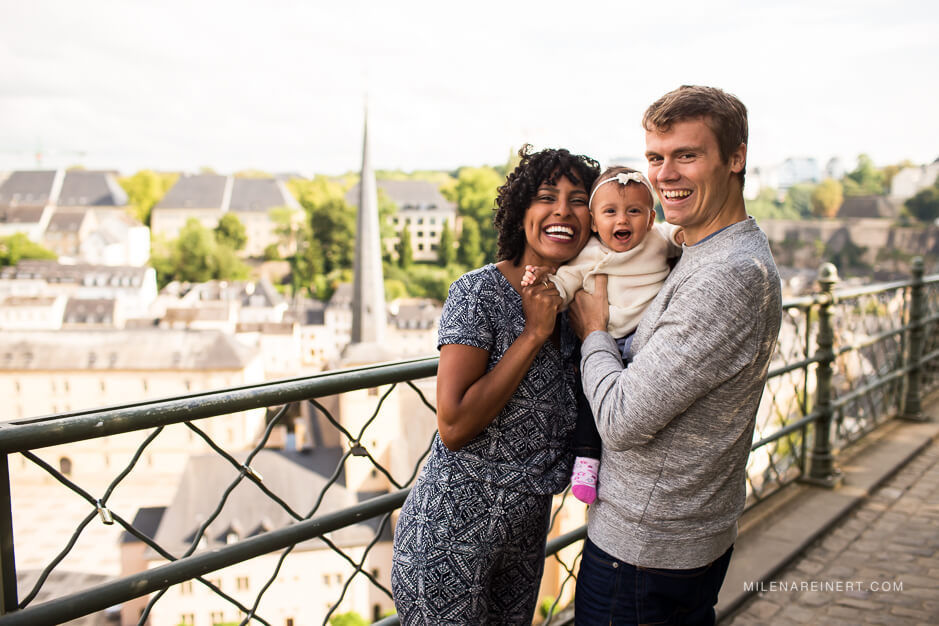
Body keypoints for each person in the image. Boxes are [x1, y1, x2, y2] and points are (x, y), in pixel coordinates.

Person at [568, 85, 782, 625]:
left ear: (736, 158)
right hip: (676, 540)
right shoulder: (694, 249)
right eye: (655, 158)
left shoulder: (727, 275)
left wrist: (593, 329)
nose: (665, 175)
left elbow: (620, 420)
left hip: (644, 553)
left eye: (687, 155)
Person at [390, 145, 600, 625]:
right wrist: (533, 335)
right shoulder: (479, 291)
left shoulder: (581, 308)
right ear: (522, 210)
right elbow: (454, 425)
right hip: (450, 535)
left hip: (525, 536)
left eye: (579, 200)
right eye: (547, 196)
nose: (563, 211)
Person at [520, 166, 682, 504]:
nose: (622, 220)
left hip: (647, 340)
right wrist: (544, 283)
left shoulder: (658, 239)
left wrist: (684, 235)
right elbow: (566, 284)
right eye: (610, 212)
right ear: (594, 222)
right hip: (605, 343)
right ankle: (586, 461)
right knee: (589, 400)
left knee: (641, 408)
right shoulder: (589, 254)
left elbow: (684, 236)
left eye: (634, 211)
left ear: (651, 218)